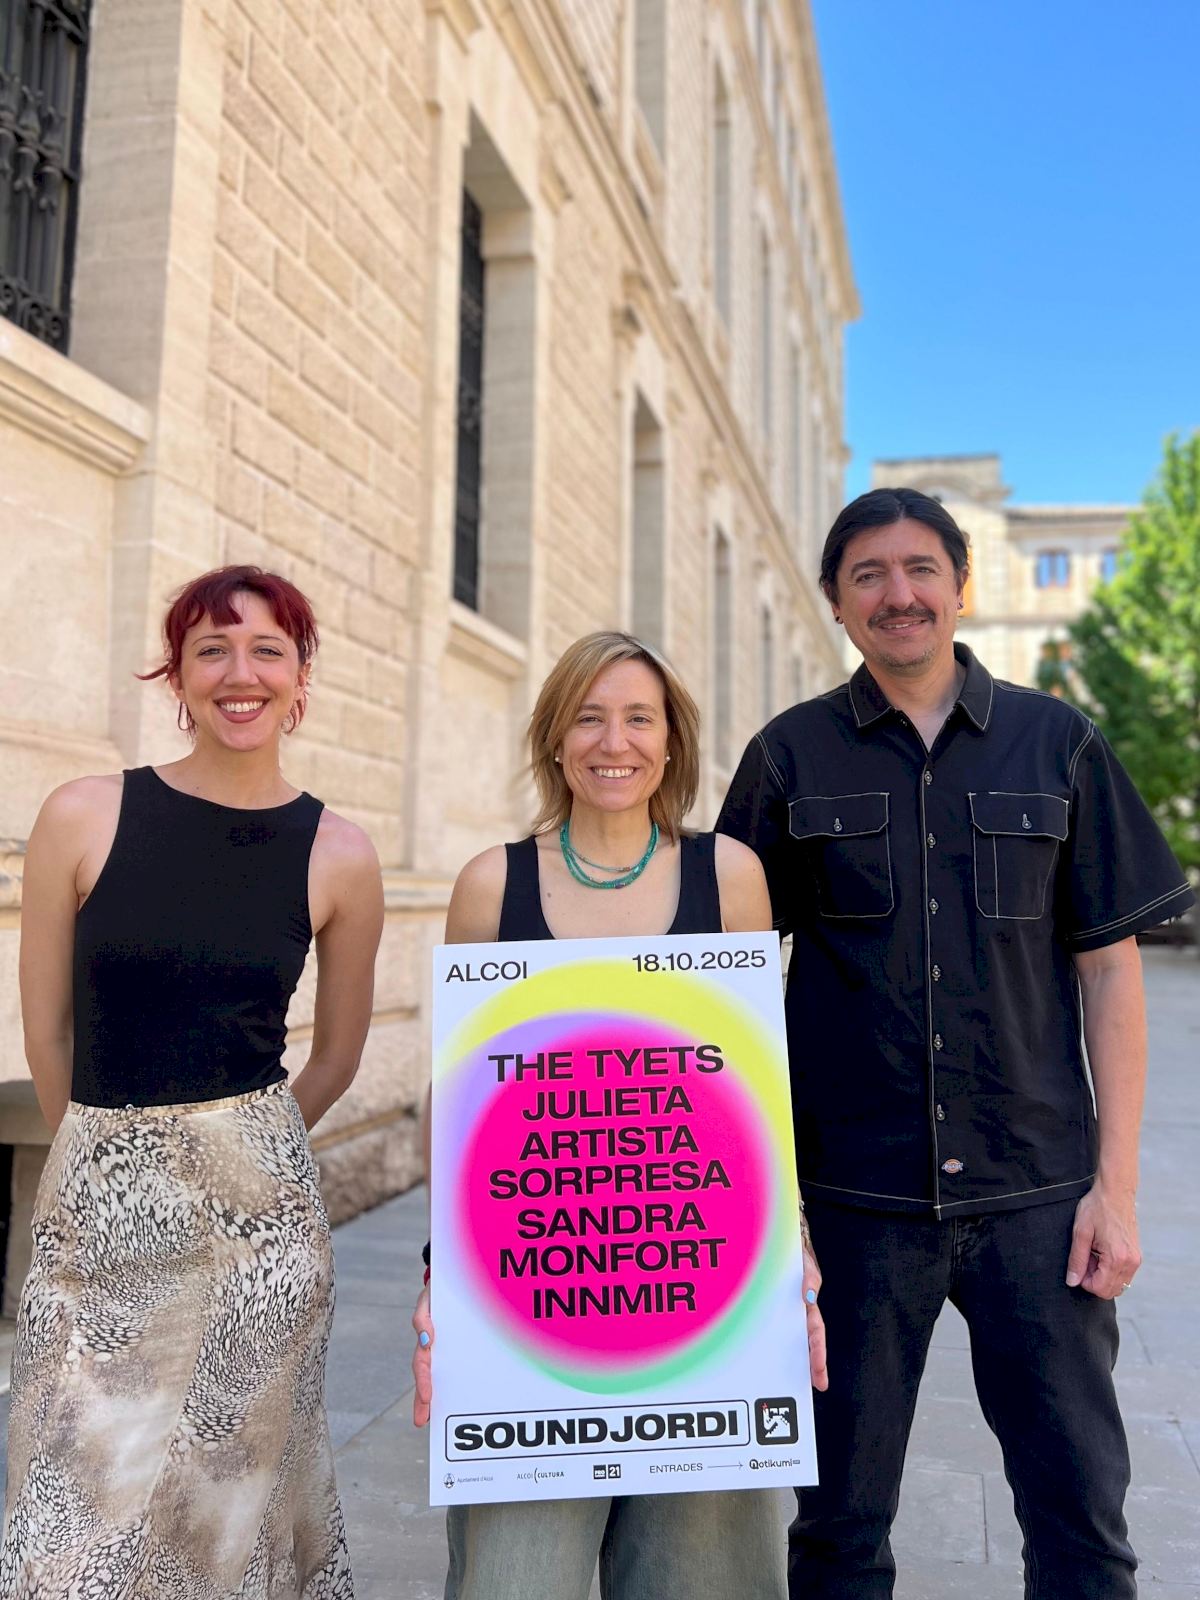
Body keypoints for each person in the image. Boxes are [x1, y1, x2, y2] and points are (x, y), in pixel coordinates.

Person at [717, 487, 1195, 1600]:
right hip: (852, 1202)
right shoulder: (787, 758)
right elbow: (721, 982)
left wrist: (1116, 1192)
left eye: (921, 568)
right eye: (869, 575)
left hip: (1039, 1200)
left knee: (1083, 1528)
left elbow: (1111, 971)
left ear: (961, 585)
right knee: (838, 1532)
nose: (899, 594)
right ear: (836, 601)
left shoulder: (1060, 743)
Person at [411, 630, 828, 1600]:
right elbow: (455, 1096)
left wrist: (791, 1251)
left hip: (702, 1292)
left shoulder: (730, 876)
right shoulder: (491, 885)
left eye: (639, 718)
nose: (614, 742)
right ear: (554, 738)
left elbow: (754, 1087)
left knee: (706, 1578)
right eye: (588, 718)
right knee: (514, 1582)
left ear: (671, 740)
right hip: (534, 1297)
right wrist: (446, 1271)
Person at [3, 565, 384, 1597]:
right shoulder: (83, 815)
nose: (239, 673)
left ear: (300, 677)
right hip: (97, 1228)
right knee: (67, 1530)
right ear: (177, 675)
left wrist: (237, 1146)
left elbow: (338, 1054)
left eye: (267, 650)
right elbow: (47, 1029)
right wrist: (111, 1158)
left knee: (222, 1534)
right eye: (211, 649)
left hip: (259, 1245)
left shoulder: (340, 853)